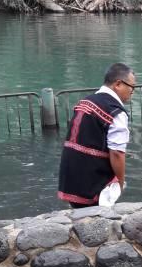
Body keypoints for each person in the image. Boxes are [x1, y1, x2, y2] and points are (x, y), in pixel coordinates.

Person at [57, 62, 136, 207]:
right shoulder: (115, 111)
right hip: (92, 181)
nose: (132, 92)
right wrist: (120, 183)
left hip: (70, 178)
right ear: (118, 84)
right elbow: (117, 153)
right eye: (132, 87)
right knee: (97, 218)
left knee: (79, 215)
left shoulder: (86, 101)